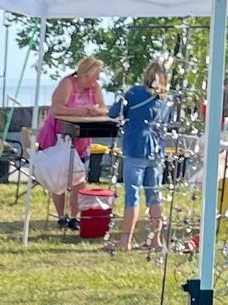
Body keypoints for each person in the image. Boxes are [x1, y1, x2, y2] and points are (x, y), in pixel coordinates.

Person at [35, 57, 109, 229]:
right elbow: (57, 107)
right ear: (86, 74)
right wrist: (78, 111)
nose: (97, 80)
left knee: (79, 178)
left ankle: (74, 217)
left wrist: (96, 111)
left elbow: (104, 108)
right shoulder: (67, 84)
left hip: (82, 136)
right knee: (59, 176)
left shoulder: (95, 88)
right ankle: (61, 215)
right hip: (59, 136)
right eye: (95, 75)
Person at [109, 61, 171, 251]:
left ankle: (125, 242)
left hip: (136, 146)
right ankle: (155, 240)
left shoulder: (135, 93)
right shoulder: (166, 100)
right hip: (157, 150)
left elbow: (114, 113)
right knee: (154, 195)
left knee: (132, 195)